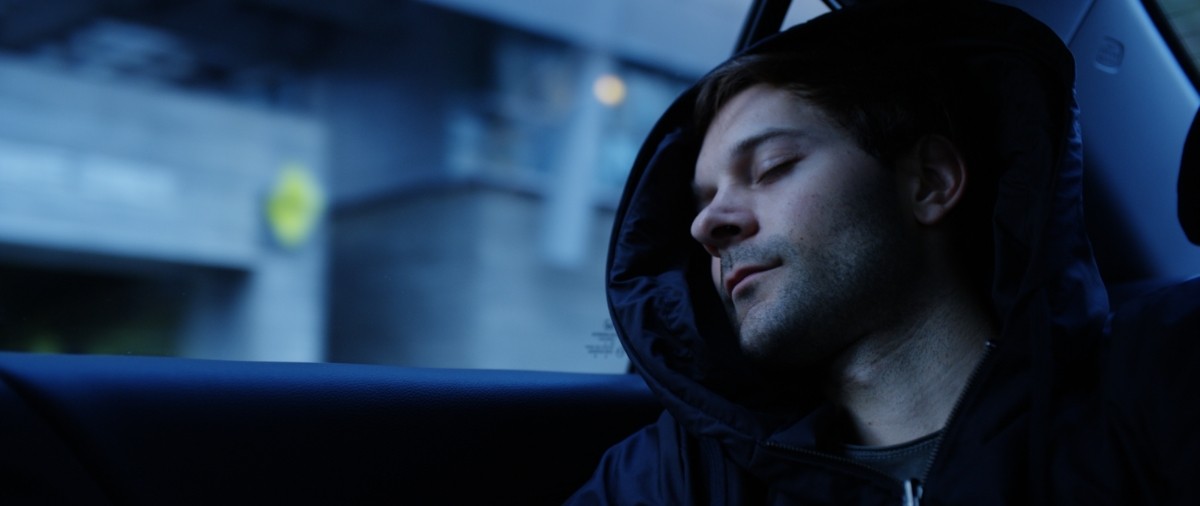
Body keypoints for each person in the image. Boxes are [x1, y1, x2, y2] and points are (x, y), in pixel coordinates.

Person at [569, 0, 1200, 504]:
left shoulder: (1157, 388)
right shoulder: (676, 475)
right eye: (704, 200)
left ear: (929, 183)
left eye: (771, 167)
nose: (707, 225)